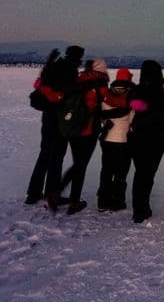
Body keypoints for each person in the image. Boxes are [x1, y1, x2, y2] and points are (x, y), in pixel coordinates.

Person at [59, 58, 108, 214]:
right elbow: (106, 103)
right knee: (81, 165)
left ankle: (71, 199)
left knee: (78, 163)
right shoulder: (100, 83)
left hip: (73, 128)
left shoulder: (79, 79)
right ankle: (62, 195)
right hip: (89, 129)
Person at [42, 45, 85, 211]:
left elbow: (47, 79)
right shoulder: (68, 69)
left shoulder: (57, 66)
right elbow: (66, 89)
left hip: (51, 116)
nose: (80, 60)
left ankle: (50, 193)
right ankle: (53, 196)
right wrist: (81, 87)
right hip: (59, 117)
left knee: (53, 156)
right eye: (79, 57)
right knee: (57, 156)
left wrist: (49, 61)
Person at [128, 59, 164, 223]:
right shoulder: (158, 91)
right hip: (155, 136)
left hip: (137, 135)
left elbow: (132, 104)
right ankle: (142, 208)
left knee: (140, 173)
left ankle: (140, 209)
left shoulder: (136, 90)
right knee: (148, 173)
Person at [25, 48, 66, 205]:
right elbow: (59, 98)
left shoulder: (46, 78)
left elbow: (40, 82)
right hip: (56, 120)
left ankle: (33, 193)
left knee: (44, 155)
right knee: (56, 158)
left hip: (47, 120)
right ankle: (51, 194)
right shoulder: (58, 81)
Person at [96, 67, 135, 212]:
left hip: (107, 138)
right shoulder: (131, 97)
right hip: (124, 140)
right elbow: (133, 119)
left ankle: (103, 201)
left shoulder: (106, 95)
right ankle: (118, 201)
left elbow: (100, 116)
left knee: (106, 170)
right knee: (121, 172)